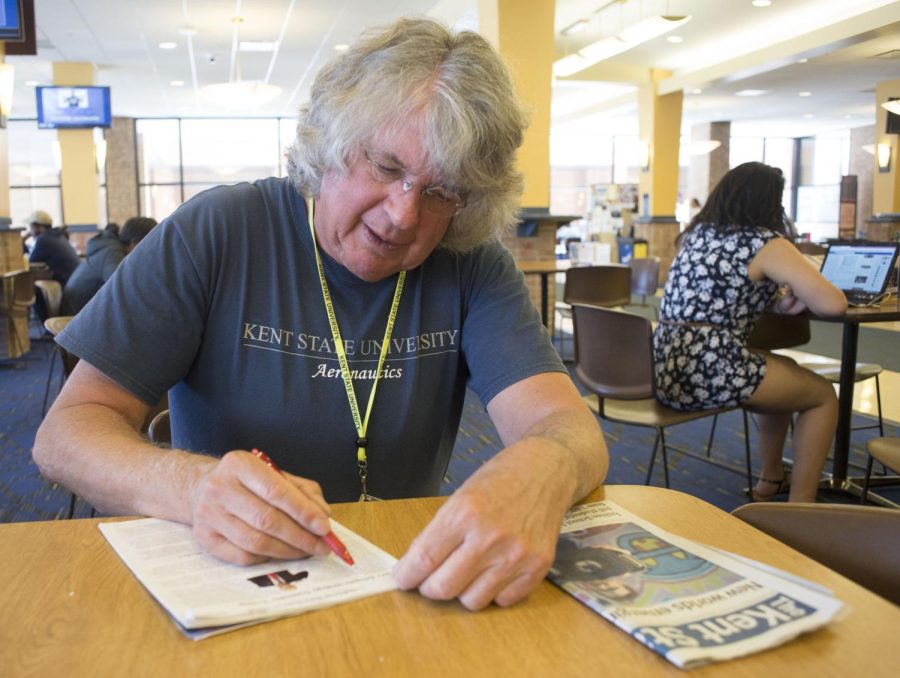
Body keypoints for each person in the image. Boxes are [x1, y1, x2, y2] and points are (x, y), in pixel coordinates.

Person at [33, 18, 608, 611]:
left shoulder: (470, 262)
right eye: (386, 168)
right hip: (233, 579)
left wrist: (543, 467)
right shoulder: (216, 232)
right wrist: (191, 486)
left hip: (404, 580)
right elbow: (65, 436)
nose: (404, 215)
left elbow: (570, 430)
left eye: (440, 191)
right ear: (329, 146)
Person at [652, 162, 847, 503]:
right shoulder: (766, 242)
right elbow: (834, 304)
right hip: (712, 369)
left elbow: (724, 294)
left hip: (663, 366)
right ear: (772, 202)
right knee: (823, 395)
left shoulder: (696, 235)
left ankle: (770, 480)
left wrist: (779, 303)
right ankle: (802, 506)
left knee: (784, 371)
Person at [61, 217, 158, 315]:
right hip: (77, 317)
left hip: (83, 311)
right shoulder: (112, 253)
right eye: (150, 245)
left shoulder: (112, 248)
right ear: (135, 242)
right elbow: (123, 289)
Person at [26, 210, 81, 286]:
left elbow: (31, 263)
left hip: (69, 286)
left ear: (39, 227)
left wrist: (22, 240)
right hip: (74, 282)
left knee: (32, 285)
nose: (30, 232)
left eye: (31, 228)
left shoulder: (44, 239)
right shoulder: (57, 235)